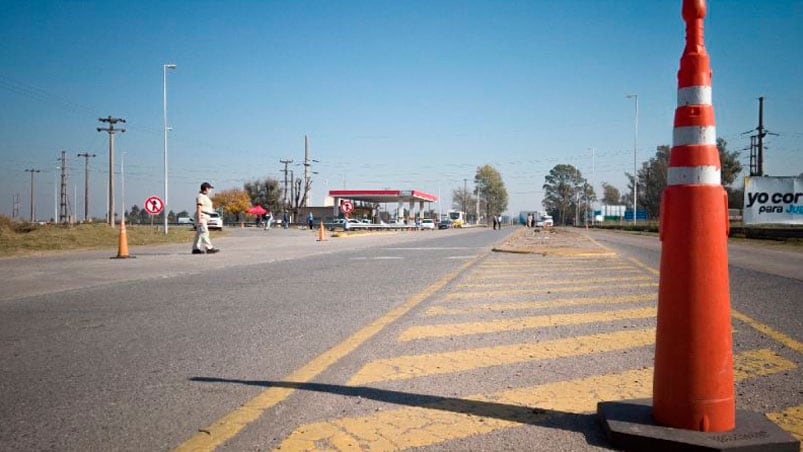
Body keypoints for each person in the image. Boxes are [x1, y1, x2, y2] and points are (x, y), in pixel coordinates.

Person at [192, 182, 220, 254]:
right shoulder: (200, 196)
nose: (211, 190)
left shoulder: (205, 197)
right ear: (206, 189)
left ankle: (195, 249)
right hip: (202, 216)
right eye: (210, 189)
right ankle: (209, 248)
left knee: (200, 233)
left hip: (205, 216)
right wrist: (199, 218)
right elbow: (199, 207)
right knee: (204, 232)